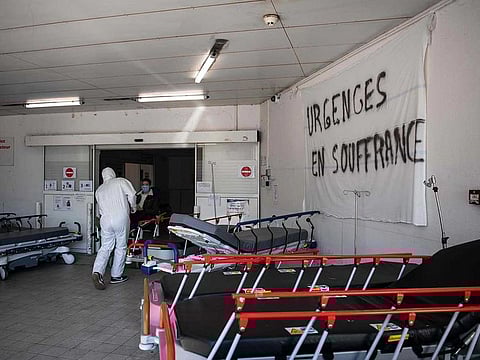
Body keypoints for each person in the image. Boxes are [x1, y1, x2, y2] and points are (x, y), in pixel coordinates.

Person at [92, 167, 136, 290]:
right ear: (113, 174)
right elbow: (132, 194)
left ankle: (97, 271)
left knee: (105, 247)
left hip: (105, 219)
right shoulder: (120, 181)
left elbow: (99, 210)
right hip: (120, 217)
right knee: (121, 247)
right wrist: (133, 207)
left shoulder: (99, 190)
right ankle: (116, 276)